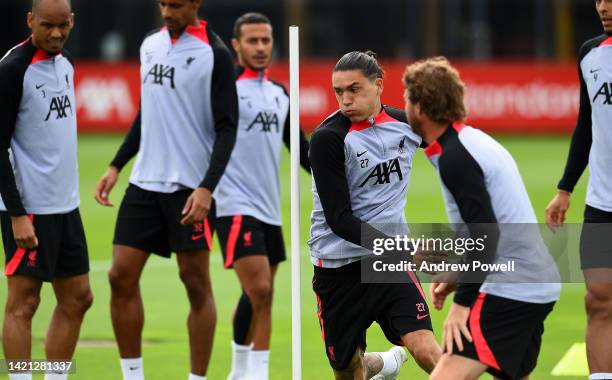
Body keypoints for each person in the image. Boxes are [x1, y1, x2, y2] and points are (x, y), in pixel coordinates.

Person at [94, 0, 238, 379]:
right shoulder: (149, 46)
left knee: (194, 284)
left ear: (195, 4)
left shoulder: (216, 54)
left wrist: (207, 188)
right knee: (119, 276)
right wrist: (116, 164)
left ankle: (196, 377)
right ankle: (133, 375)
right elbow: (148, 112)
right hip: (143, 183)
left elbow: (227, 127)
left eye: (176, 4)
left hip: (189, 190)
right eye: (163, 3)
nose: (167, 11)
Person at [402, 57, 561, 380]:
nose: (403, 104)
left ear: (420, 107)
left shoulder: (456, 159)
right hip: (535, 284)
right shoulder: (472, 142)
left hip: (513, 287)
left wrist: (461, 306)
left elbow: (487, 235)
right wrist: (458, 274)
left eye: (407, 97)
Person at [308, 51, 441, 380]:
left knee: (425, 348)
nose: (345, 99)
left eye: (354, 89)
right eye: (339, 92)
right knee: (350, 370)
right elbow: (340, 221)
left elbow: (453, 145)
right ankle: (384, 364)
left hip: (388, 263)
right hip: (338, 267)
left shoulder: (407, 127)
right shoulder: (329, 139)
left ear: (379, 85)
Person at [214, 12, 310, 380]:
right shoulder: (224, 91)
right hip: (233, 204)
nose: (260, 47)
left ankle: (250, 373)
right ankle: (247, 373)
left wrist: (335, 173)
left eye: (265, 41)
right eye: (252, 41)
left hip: (270, 209)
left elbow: (299, 151)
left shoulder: (280, 95)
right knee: (260, 287)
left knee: (263, 296)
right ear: (236, 45)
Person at [0, 0, 93, 379]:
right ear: (30, 21)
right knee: (25, 303)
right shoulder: (11, 70)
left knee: (78, 298)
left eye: (62, 26)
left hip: (65, 206)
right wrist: (19, 215)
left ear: (71, 21)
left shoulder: (66, 63)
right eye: (46, 26)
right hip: (29, 209)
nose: (55, 34)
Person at [545, 1, 612, 379]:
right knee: (598, 301)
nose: (603, 6)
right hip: (602, 206)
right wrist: (565, 188)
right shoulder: (589, 54)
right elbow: (586, 124)